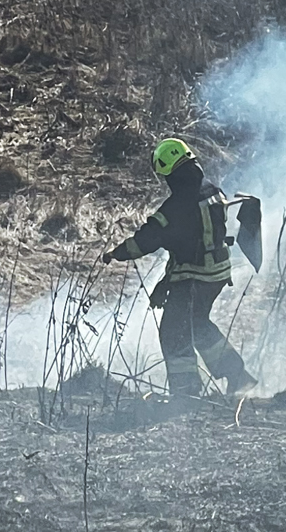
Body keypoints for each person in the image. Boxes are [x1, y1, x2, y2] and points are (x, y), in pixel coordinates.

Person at [100, 138, 256, 400]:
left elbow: (148, 239)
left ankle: (186, 394)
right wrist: (165, 284)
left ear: (168, 172)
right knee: (197, 323)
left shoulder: (177, 206)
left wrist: (118, 253)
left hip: (196, 276)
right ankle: (237, 374)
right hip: (215, 274)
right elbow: (187, 245)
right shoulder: (213, 191)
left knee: (174, 331)